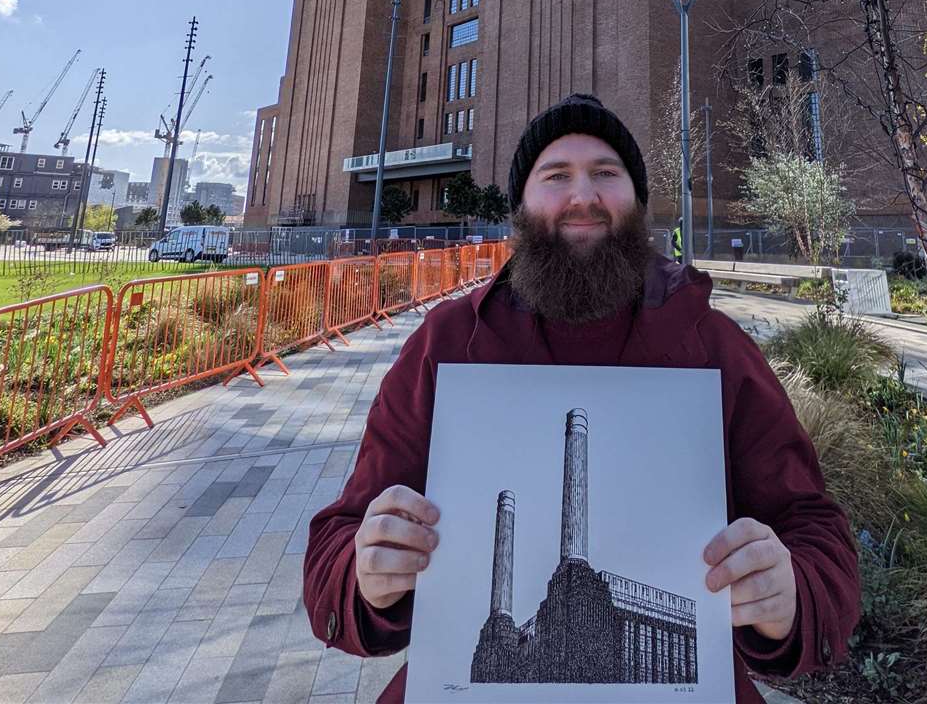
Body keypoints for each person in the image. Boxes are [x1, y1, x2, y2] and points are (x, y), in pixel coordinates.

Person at [303, 93, 860, 702]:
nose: (583, 196)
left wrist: (791, 592)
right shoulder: (449, 344)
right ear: (521, 205)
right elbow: (340, 539)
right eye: (556, 176)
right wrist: (363, 576)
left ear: (636, 201)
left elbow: (815, 531)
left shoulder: (712, 345)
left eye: (605, 173)